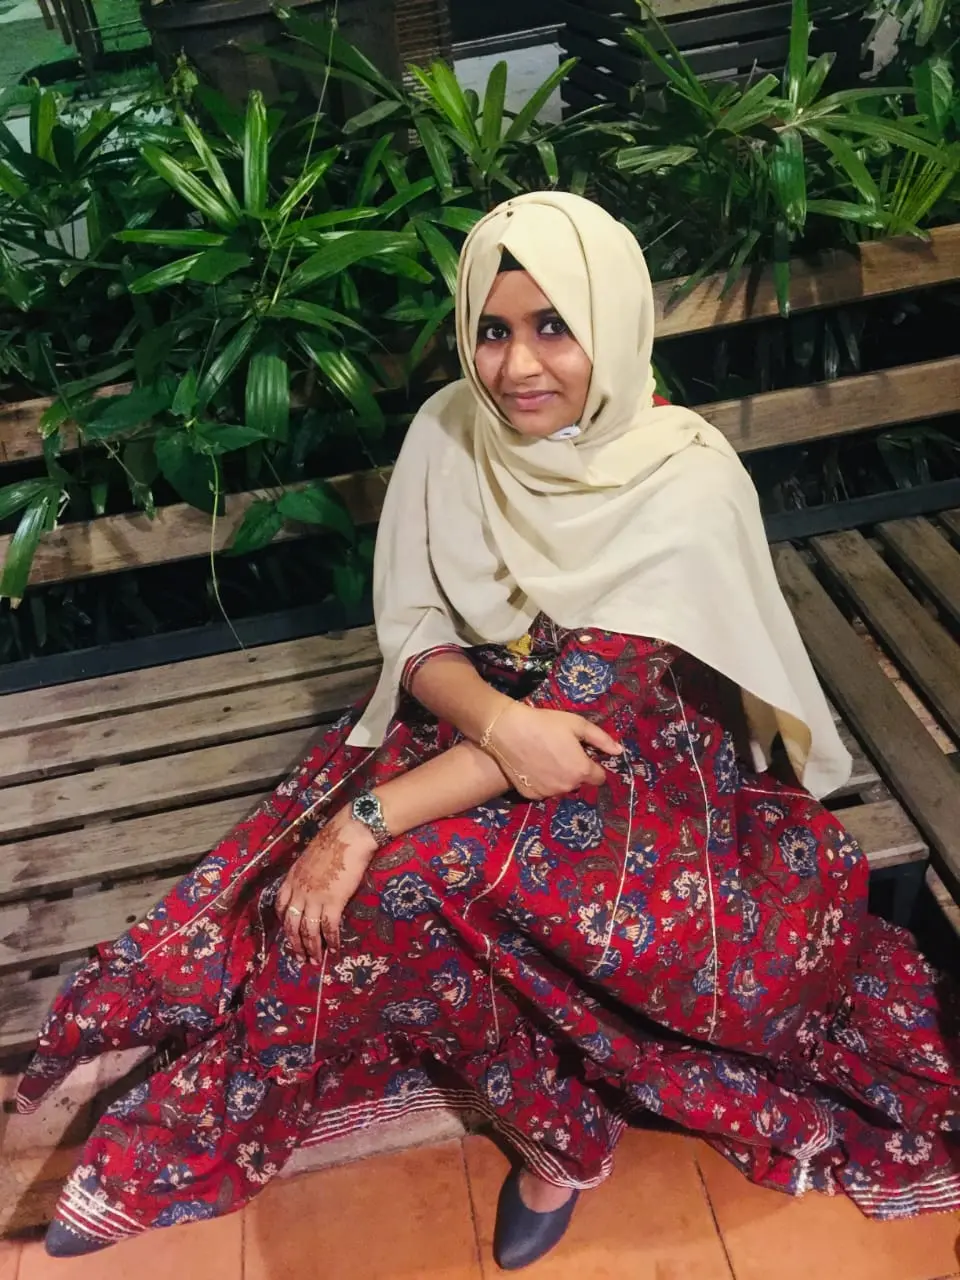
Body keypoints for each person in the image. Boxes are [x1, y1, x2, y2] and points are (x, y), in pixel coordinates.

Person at [19, 192, 960, 1270]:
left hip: (627, 768)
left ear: (610, 324)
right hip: (473, 720)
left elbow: (581, 733)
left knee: (385, 881)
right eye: (493, 327)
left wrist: (367, 816)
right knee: (290, 905)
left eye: (554, 325)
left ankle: (544, 1146)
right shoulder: (448, 431)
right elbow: (416, 631)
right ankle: (533, 1122)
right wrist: (498, 721)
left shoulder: (681, 481)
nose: (517, 365)